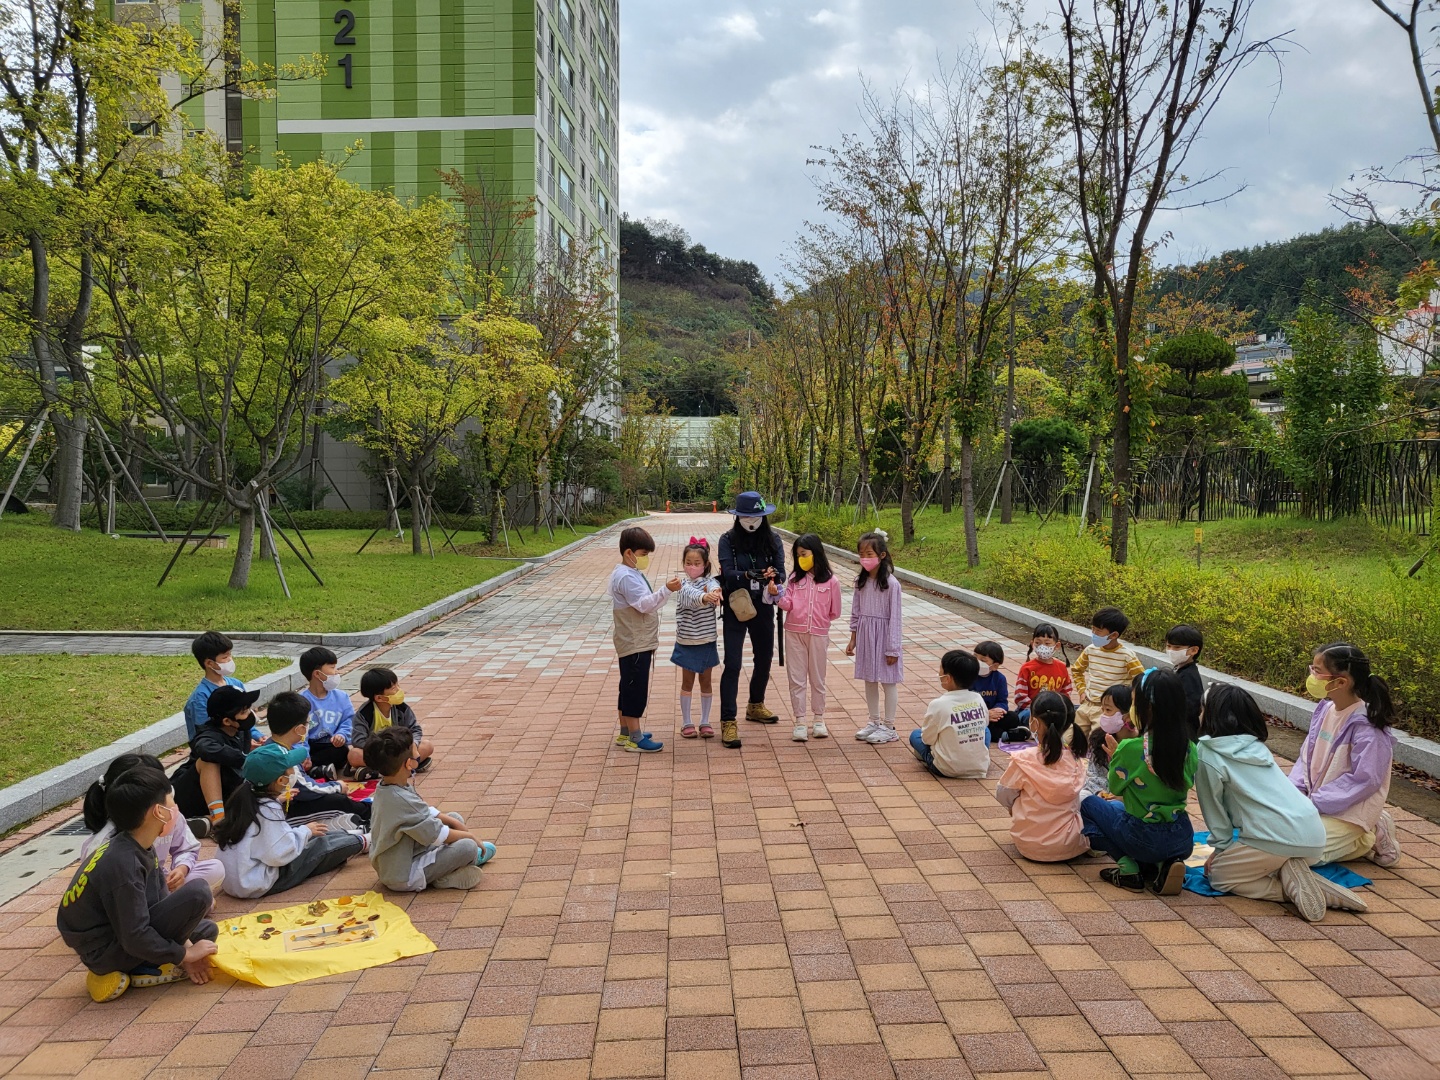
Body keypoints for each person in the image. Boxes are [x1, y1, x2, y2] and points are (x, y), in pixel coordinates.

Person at [1198, 684, 1367, 921]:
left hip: (1275, 839)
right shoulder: (1255, 746)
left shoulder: (1208, 753)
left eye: (1202, 709)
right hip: (1314, 839)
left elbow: (1213, 810)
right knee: (1268, 860)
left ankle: (1292, 890)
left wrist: (1220, 849)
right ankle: (1302, 877)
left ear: (1211, 716)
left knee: (1219, 876)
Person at [57, 765, 219, 1003]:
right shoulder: (123, 865)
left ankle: (152, 962)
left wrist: (185, 946)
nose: (176, 809)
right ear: (159, 812)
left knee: (206, 932)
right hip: (104, 952)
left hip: (120, 933)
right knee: (199, 893)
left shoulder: (136, 843)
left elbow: (158, 902)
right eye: (172, 803)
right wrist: (184, 954)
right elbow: (134, 935)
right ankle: (139, 969)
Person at [1081, 667, 1198, 896]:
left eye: (1134, 702)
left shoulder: (1130, 747)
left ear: (1148, 708)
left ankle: (1128, 869)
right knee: (1116, 808)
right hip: (1182, 837)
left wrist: (1116, 758)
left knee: (1087, 804)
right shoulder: (1190, 748)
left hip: (1141, 836)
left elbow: (1114, 787)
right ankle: (1162, 865)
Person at [1290, 643, 1400, 867]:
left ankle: (1367, 832)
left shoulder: (1368, 729)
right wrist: (1294, 795)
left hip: (1347, 811)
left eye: (1317, 671)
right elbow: (1306, 759)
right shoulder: (1325, 710)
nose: (1312, 675)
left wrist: (1314, 802)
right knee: (1271, 836)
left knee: (1296, 854)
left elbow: (1364, 780)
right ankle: (1364, 833)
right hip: (1319, 805)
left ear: (1341, 682)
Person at [214, 741, 366, 899]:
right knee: (319, 846)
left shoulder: (244, 797)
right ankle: (363, 840)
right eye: (291, 768)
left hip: (237, 880)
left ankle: (354, 833)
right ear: (281, 781)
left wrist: (279, 802)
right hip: (257, 883)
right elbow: (280, 854)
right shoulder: (269, 809)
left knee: (315, 835)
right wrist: (305, 831)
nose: (294, 770)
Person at [367, 727, 496, 892]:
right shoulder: (400, 799)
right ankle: (442, 877)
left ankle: (448, 869)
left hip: (401, 855)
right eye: (416, 751)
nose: (419, 753)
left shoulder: (387, 786)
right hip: (403, 875)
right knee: (468, 847)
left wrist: (454, 822)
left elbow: (421, 813)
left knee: (454, 818)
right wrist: (471, 836)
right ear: (409, 763)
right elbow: (437, 833)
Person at [81, 754, 224, 893]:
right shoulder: (105, 843)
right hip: (127, 895)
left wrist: (181, 869)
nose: (171, 801)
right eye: (164, 793)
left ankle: (180, 900)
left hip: (159, 883)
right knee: (194, 897)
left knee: (215, 868)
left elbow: (186, 848)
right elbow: (100, 890)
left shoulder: (169, 814)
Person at [717, 492, 787, 748]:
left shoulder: (773, 539)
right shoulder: (727, 540)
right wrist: (748, 574)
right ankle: (728, 720)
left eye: (757, 516)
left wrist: (773, 575)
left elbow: (781, 572)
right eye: (746, 516)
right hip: (737, 604)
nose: (752, 521)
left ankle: (755, 704)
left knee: (765, 658)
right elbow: (728, 574)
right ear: (737, 516)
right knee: (733, 663)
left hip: (764, 605)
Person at [609, 525, 681, 752]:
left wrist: (663, 592)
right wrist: (667, 590)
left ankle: (625, 731)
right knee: (635, 687)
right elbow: (644, 605)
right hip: (634, 640)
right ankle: (635, 737)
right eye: (642, 554)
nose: (645, 559)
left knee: (627, 684)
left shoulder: (629, 573)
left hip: (634, 639)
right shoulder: (626, 577)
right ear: (628, 553)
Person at [995, 690, 1089, 862]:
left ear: (1034, 723)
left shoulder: (1024, 759)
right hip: (1070, 846)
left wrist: (1015, 808)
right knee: (1089, 799)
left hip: (1028, 845)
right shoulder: (1076, 759)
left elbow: (1003, 794)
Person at [773, 533, 842, 742]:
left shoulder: (832, 581)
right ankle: (800, 721)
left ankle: (819, 719)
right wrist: (777, 593)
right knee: (796, 679)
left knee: (818, 679)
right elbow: (787, 604)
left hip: (819, 635)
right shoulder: (795, 579)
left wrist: (818, 621)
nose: (801, 558)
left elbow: (835, 611)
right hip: (794, 633)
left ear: (816, 553)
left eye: (804, 554)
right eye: (798, 555)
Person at [265, 691, 371, 823]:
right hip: (284, 814)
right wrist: (336, 786)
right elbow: (306, 789)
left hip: (281, 804)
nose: (309, 727)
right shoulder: (284, 756)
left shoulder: (272, 745)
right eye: (308, 723)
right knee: (338, 801)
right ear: (299, 729)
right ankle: (369, 814)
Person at [171, 685, 259, 824]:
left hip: (220, 797)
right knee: (209, 761)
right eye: (244, 711)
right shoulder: (208, 736)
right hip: (187, 796)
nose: (250, 713)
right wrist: (245, 758)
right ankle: (218, 821)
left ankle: (203, 822)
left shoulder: (241, 731)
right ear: (227, 721)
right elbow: (204, 748)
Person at [848, 530, 905, 745]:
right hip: (865, 636)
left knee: (888, 682)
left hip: (885, 637)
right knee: (869, 680)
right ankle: (874, 721)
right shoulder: (860, 582)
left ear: (881, 555)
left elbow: (895, 618)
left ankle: (889, 727)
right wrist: (853, 638)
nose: (865, 558)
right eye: (861, 554)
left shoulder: (892, 584)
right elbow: (855, 611)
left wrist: (893, 648)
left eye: (869, 553)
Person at [909, 649, 990, 778]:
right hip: (979, 766)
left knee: (915, 735)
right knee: (986, 731)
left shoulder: (938, 704)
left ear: (947, 678)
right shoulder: (978, 698)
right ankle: (972, 757)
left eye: (940, 669)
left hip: (946, 768)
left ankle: (930, 757)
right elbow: (985, 723)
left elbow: (927, 739)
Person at [672, 538, 723, 740]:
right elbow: (690, 595)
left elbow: (714, 587)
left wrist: (714, 592)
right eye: (688, 563)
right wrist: (705, 598)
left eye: (697, 563)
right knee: (687, 682)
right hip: (687, 640)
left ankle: (705, 721)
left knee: (706, 681)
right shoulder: (681, 585)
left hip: (707, 640)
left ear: (705, 565)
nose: (692, 567)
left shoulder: (711, 582)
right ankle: (686, 722)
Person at [1071, 606, 1145, 736]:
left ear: (1114, 635)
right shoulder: (1090, 650)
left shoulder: (1127, 656)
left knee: (1097, 742)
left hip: (1107, 711)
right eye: (1092, 629)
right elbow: (1077, 670)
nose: (1093, 633)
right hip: (1087, 704)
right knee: (1068, 740)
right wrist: (1082, 691)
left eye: (1098, 630)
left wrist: (1130, 706)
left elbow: (1141, 681)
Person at [351, 667, 433, 779]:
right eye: (394, 688)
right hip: (378, 753)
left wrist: (413, 745)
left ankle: (377, 772)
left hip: (399, 751)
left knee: (427, 746)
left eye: (397, 686)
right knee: (354, 754)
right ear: (380, 698)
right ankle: (408, 766)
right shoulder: (364, 713)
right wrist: (381, 748)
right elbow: (358, 740)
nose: (399, 690)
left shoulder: (402, 708)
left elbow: (415, 729)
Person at [183, 631, 263, 744]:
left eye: (230, 654)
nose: (230, 659)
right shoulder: (200, 697)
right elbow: (205, 733)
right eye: (225, 657)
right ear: (210, 663)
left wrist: (256, 736)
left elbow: (244, 718)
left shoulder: (236, 684)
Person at [299, 646, 354, 773]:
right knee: (294, 752)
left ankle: (316, 768)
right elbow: (300, 735)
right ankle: (314, 767)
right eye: (332, 667)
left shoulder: (341, 697)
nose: (336, 672)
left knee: (342, 751)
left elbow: (349, 720)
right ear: (317, 674)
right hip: (310, 745)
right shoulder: (301, 701)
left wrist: (341, 735)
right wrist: (304, 755)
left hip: (331, 744)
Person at [1014, 622, 1075, 723]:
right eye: (1038, 643)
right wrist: (1036, 709)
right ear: (1032, 643)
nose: (1042, 647)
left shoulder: (1061, 667)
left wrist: (1059, 708)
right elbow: (1020, 696)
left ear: (1057, 645)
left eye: (1047, 643)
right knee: (1027, 717)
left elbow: (1066, 692)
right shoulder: (1027, 668)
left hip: (1054, 711)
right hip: (1030, 710)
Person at [1081, 685, 1135, 798]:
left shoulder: (1139, 743)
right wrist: (1100, 792)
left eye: (1108, 710)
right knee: (1082, 797)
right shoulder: (1099, 739)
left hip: (1129, 800)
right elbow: (1092, 775)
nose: (1104, 715)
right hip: (1101, 795)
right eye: (1103, 710)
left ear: (1129, 715)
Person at [973, 641, 1023, 742]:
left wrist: (997, 711)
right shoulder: (969, 677)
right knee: (989, 732)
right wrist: (985, 715)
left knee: (1013, 717)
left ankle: (1003, 734)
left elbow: (1002, 701)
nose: (977, 662)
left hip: (994, 717)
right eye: (975, 657)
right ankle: (1006, 735)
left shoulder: (1000, 679)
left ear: (995, 666)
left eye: (983, 660)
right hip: (975, 717)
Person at [1166, 624, 1205, 741]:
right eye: (1168, 646)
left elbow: (1191, 707)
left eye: (1177, 648)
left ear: (1194, 650)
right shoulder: (1180, 669)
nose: (1171, 651)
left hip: (1184, 732)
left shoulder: (1189, 676)